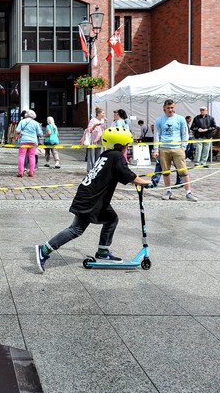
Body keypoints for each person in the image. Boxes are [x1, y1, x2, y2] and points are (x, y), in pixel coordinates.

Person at [35, 127, 155, 272]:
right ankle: (44, 250)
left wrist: (138, 181)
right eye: (127, 145)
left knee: (111, 219)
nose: (128, 148)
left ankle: (103, 252)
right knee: (76, 229)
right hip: (91, 199)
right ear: (121, 144)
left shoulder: (107, 154)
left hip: (92, 197)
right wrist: (146, 182)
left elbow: (122, 174)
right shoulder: (117, 156)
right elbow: (128, 175)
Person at [153, 99, 197, 202]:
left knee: (183, 171)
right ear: (164, 108)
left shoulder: (180, 119)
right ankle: (168, 191)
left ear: (174, 107)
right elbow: (157, 135)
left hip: (178, 148)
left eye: (172, 107)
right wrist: (156, 149)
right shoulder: (159, 120)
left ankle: (188, 192)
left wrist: (183, 147)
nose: (170, 110)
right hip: (164, 148)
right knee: (166, 172)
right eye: (168, 108)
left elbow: (184, 133)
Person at [16, 109, 42, 177]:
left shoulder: (22, 121)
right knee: (32, 156)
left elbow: (17, 130)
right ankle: (31, 172)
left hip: (24, 140)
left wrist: (21, 132)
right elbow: (39, 133)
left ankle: (20, 172)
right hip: (33, 141)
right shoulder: (36, 123)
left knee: (22, 156)